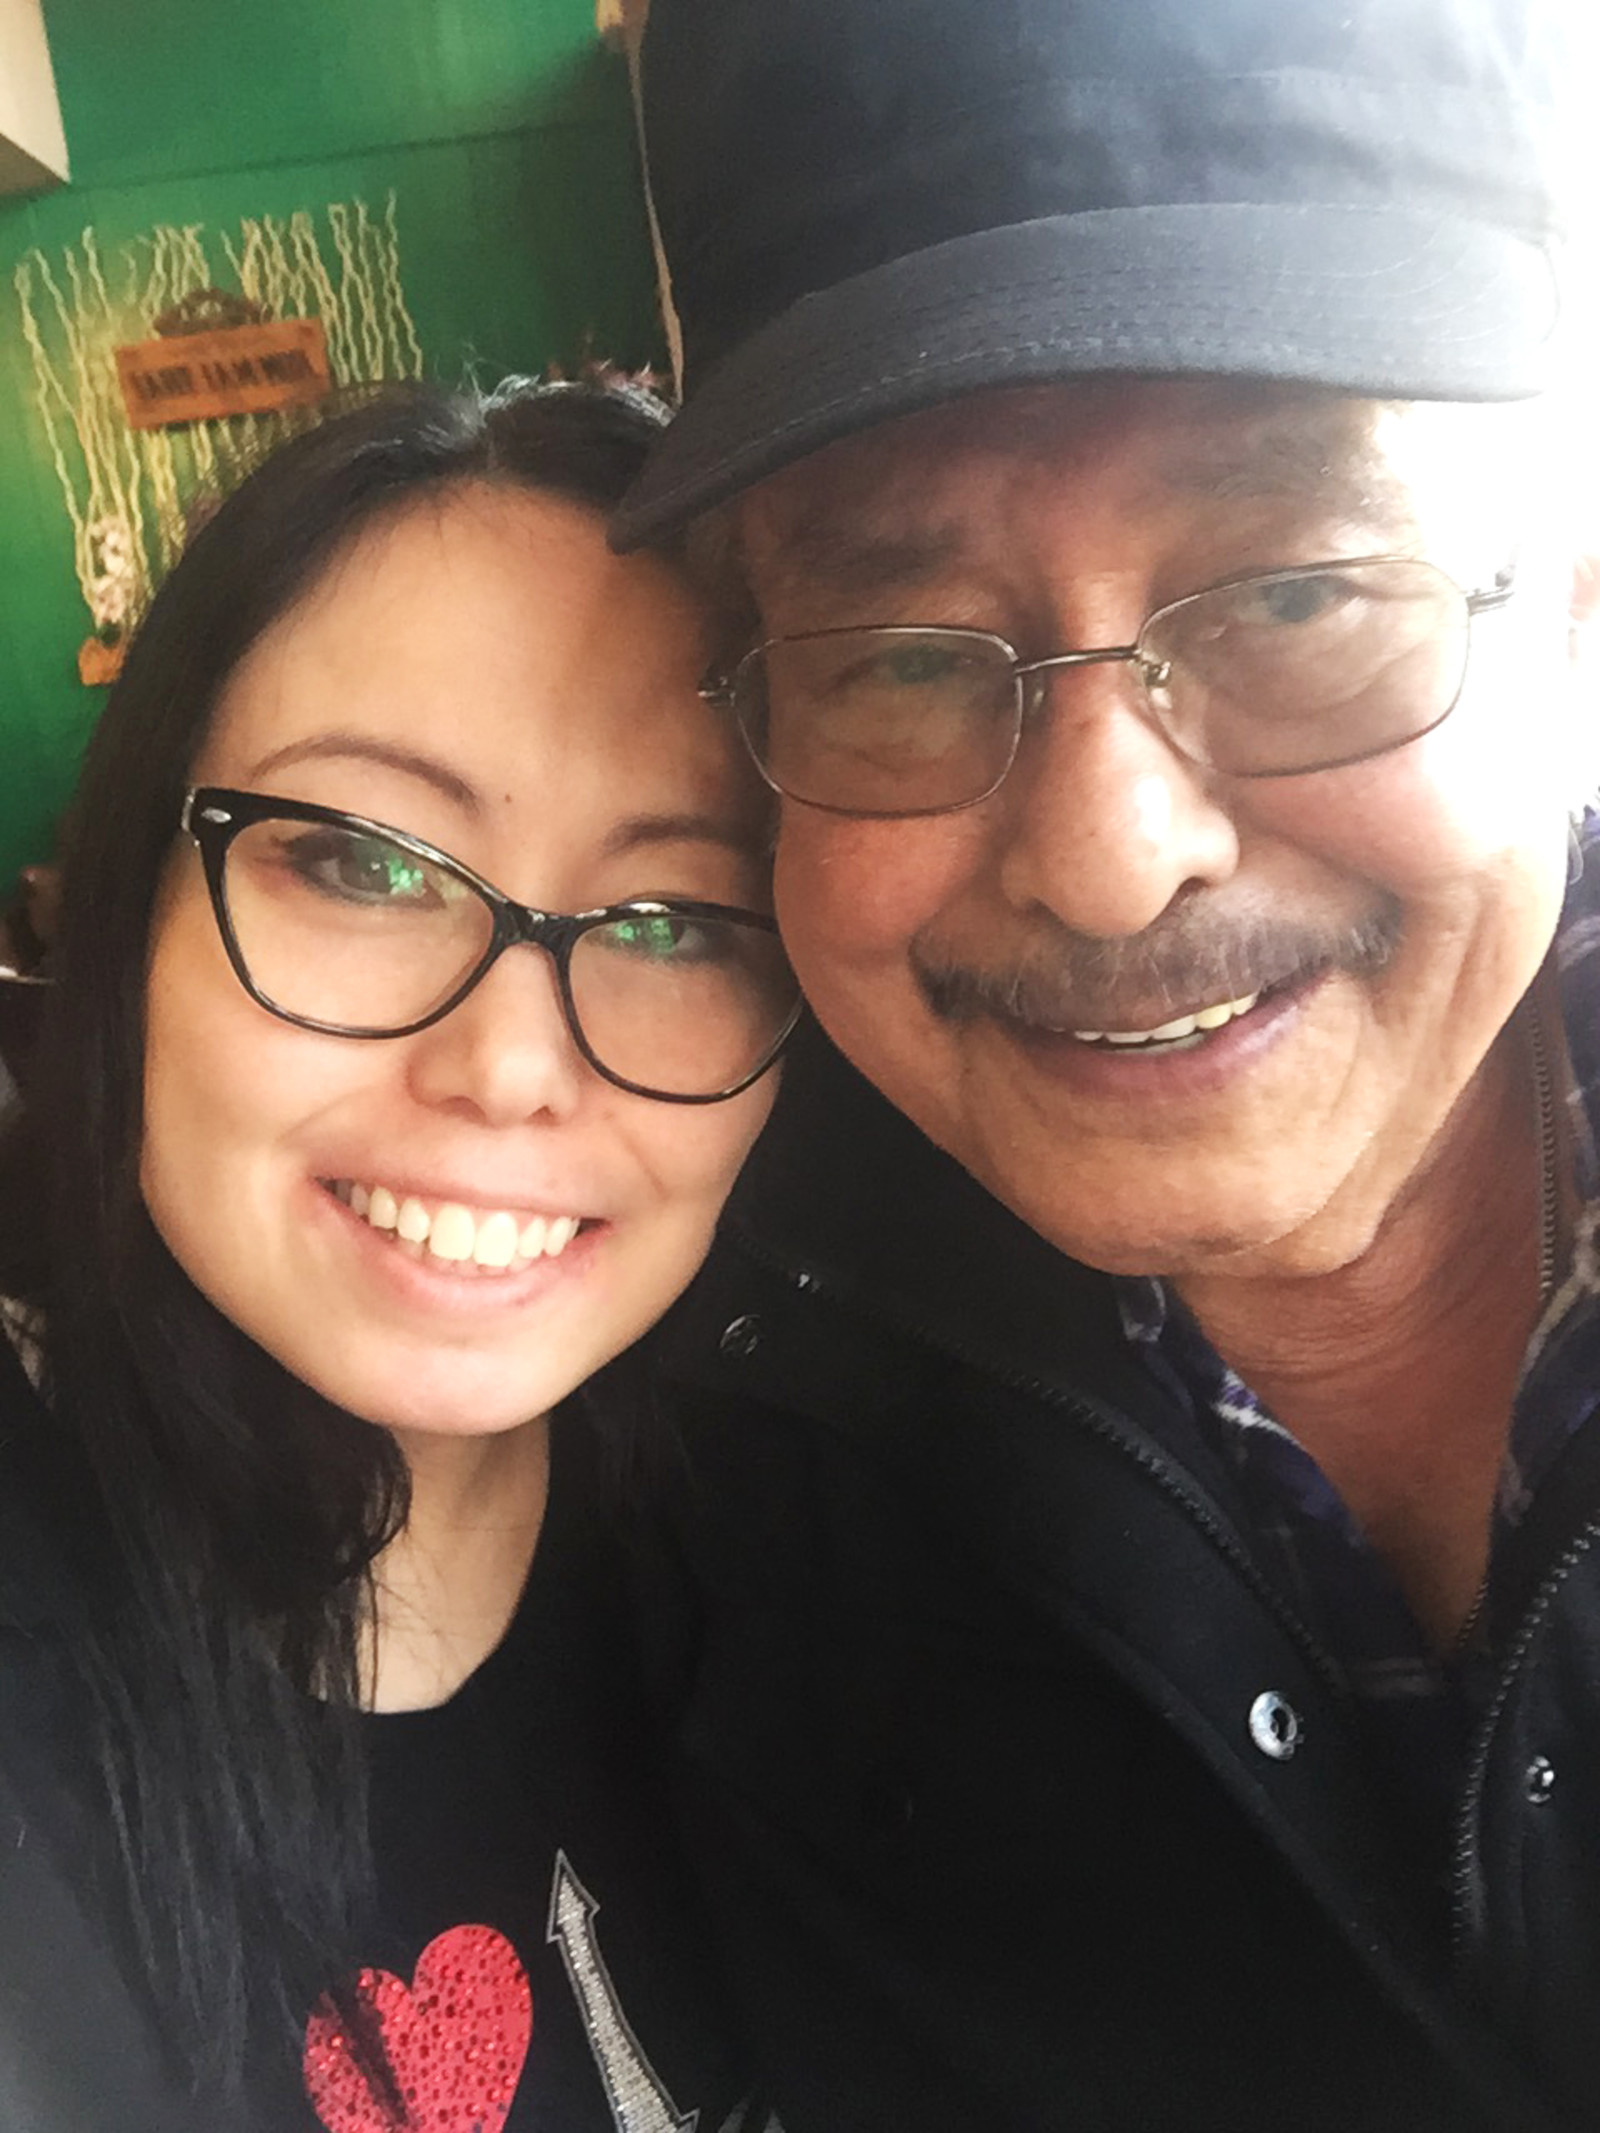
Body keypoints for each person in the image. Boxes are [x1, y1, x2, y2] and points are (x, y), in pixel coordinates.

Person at [608, 0, 1600, 2126]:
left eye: (1295, 596)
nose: (1105, 855)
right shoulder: (657, 1412)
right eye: (900, 657)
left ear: (1573, 612)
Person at [0, 379, 795, 2130]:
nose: (509, 1067)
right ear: (128, 906)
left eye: (675, 921)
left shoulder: (829, 1549)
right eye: (364, 864)